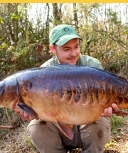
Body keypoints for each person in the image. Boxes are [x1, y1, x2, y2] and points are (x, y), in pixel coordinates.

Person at [17, 24, 119, 153]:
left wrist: (110, 108)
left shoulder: (92, 65)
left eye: (76, 47)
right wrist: (30, 111)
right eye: (66, 49)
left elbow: (108, 99)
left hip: (88, 122)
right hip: (59, 127)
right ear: (53, 49)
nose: (73, 53)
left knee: (98, 125)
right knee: (37, 128)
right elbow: (39, 109)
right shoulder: (43, 72)